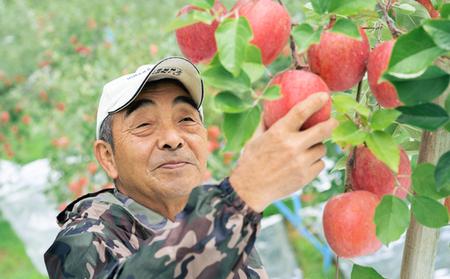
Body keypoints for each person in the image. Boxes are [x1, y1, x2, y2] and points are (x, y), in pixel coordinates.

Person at [44, 56, 338, 278]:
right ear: (108, 157)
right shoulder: (85, 238)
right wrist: (243, 195)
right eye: (144, 125)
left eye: (186, 119)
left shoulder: (222, 223)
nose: (173, 139)